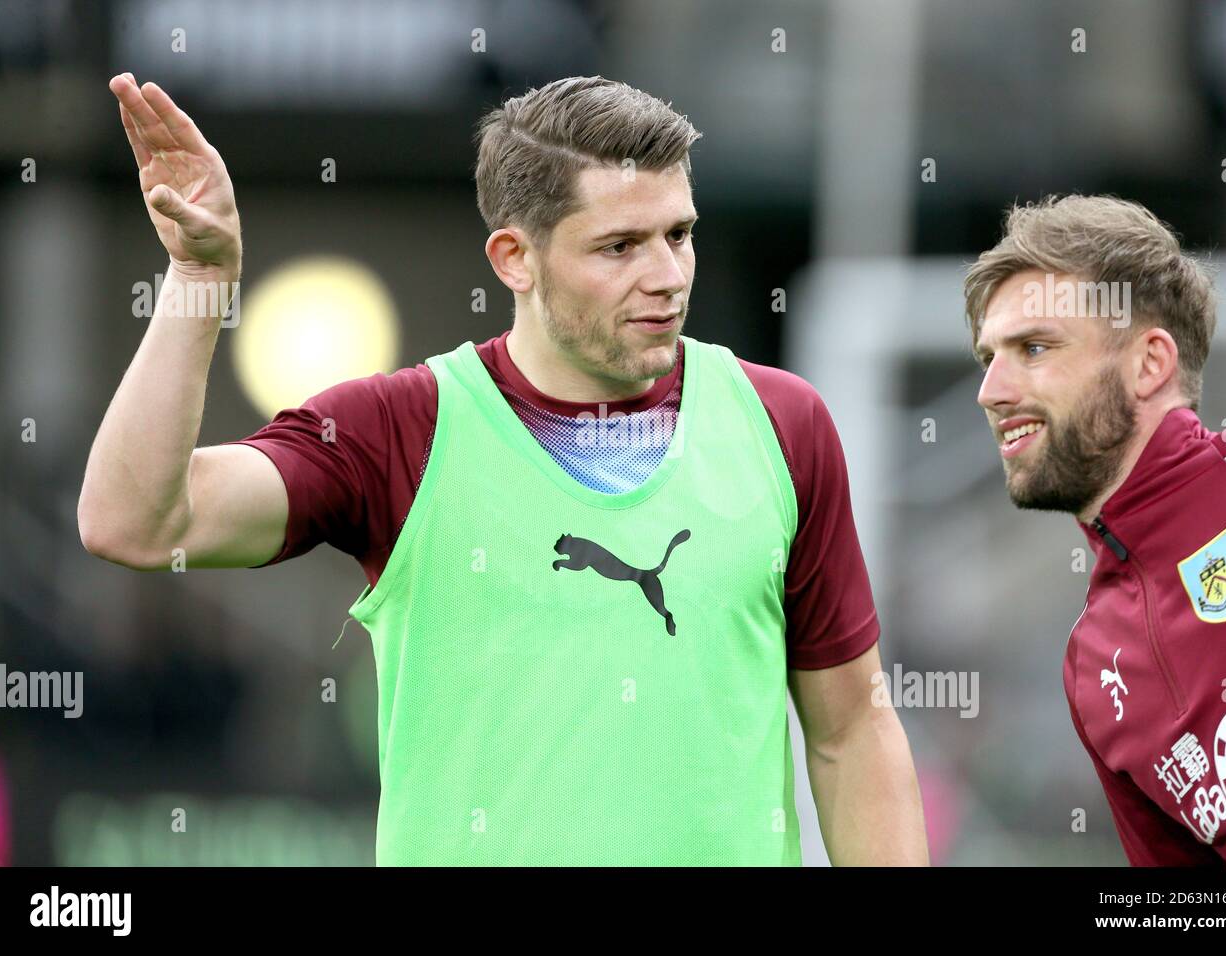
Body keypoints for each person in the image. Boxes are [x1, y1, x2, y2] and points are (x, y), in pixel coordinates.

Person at [80, 72, 928, 866]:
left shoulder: (783, 423)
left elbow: (851, 728)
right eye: (620, 246)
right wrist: (197, 280)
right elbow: (136, 522)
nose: (667, 277)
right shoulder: (398, 429)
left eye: (680, 234)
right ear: (514, 259)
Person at [966, 194, 1226, 865]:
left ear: (1148, 363)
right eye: (988, 357)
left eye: (1035, 347)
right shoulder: (1092, 665)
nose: (990, 390)